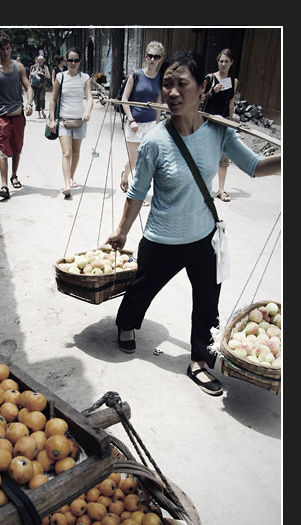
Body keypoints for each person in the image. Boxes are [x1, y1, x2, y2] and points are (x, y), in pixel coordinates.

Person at [105, 50, 281, 397]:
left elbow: (256, 167)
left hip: (204, 237)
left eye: (181, 84)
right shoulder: (154, 141)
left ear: (202, 88)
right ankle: (126, 323)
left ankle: (199, 360)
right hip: (162, 238)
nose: (172, 92)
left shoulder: (219, 132)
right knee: (141, 290)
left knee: (207, 304)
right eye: (167, 85)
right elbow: (137, 193)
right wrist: (122, 231)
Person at [0, 34, 33, 200]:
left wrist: (30, 103)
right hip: (2, 116)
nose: (5, 52)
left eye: (8, 48)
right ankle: (4, 185)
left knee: (17, 149)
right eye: (2, 49)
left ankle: (14, 175)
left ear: (11, 48)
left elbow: (28, 86)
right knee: (3, 151)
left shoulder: (18, 67)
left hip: (18, 115)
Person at [120, 41, 165, 204]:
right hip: (135, 123)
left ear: (160, 59)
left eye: (156, 57)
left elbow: (159, 101)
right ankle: (125, 175)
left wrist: (158, 123)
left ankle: (139, 193)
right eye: (150, 56)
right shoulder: (136, 75)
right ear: (146, 56)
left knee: (145, 161)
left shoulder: (160, 78)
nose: (152, 59)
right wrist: (131, 120)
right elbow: (124, 99)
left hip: (151, 124)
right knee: (134, 161)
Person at [49, 47, 93, 197]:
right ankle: (67, 184)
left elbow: (89, 97)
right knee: (66, 152)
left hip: (80, 121)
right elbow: (53, 100)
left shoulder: (85, 78)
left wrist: (87, 112)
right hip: (63, 120)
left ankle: (71, 176)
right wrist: (52, 120)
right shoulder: (60, 77)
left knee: (76, 152)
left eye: (76, 60)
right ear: (65, 61)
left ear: (80, 61)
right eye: (70, 60)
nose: (73, 63)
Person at [202, 48, 239, 202]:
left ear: (231, 63)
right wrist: (212, 91)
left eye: (226, 61)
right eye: (221, 61)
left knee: (223, 158)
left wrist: (231, 119)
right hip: (208, 121)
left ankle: (221, 190)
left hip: (223, 121)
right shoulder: (210, 78)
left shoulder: (233, 81)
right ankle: (204, 188)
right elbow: (199, 97)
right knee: (206, 156)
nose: (223, 64)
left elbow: (231, 101)